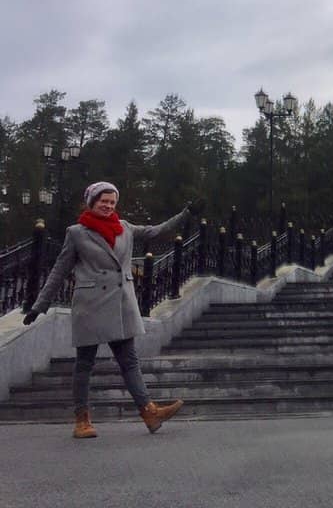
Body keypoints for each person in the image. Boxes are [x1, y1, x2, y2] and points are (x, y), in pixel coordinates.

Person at [22, 181, 204, 438]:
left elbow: (157, 231)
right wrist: (40, 305)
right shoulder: (76, 233)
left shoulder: (125, 228)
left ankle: (149, 412)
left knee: (129, 361)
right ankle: (81, 420)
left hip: (120, 303)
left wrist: (186, 214)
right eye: (103, 201)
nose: (108, 205)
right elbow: (59, 270)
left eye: (112, 202)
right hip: (91, 304)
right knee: (85, 363)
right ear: (92, 202)